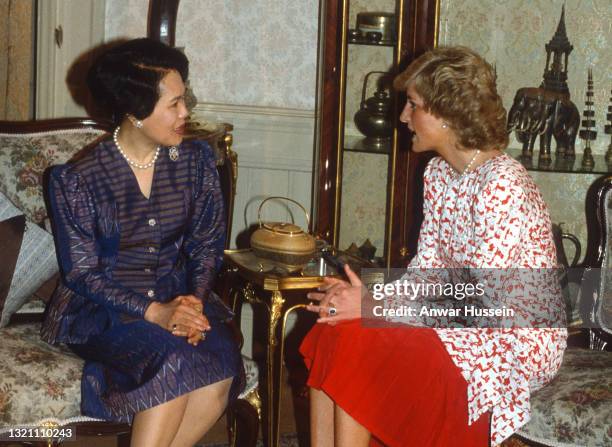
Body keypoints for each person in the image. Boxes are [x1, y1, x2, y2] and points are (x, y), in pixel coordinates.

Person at [300, 46, 567, 446]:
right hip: (459, 320)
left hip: (509, 340)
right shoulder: (440, 174)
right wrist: (363, 297)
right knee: (333, 328)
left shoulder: (503, 184)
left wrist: (374, 307)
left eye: (413, 105)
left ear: (448, 114)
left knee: (358, 340)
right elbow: (426, 274)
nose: (404, 117)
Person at [41, 38, 243, 447]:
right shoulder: (79, 179)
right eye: (173, 104)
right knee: (173, 360)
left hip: (179, 297)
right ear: (134, 113)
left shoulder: (196, 161)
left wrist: (193, 302)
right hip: (104, 310)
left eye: (185, 99)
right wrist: (153, 311)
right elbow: (82, 273)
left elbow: (206, 243)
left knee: (219, 364)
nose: (186, 113)